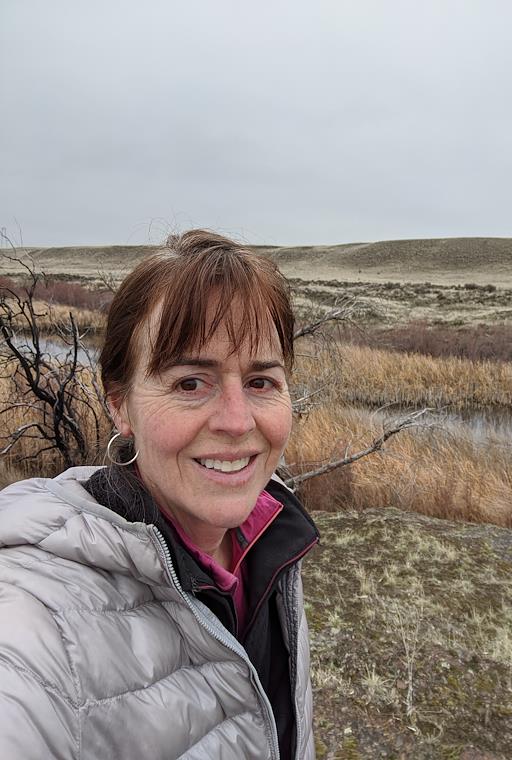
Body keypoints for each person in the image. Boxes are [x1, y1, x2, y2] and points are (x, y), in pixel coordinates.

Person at [0, 230, 319, 759]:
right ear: (120, 404)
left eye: (261, 381)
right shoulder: (35, 622)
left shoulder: (272, 537)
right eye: (191, 383)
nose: (238, 422)